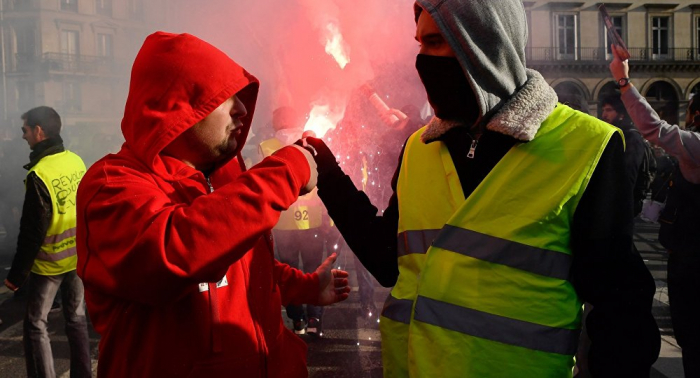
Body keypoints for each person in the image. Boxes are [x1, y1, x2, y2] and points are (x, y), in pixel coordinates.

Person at [301, 1, 661, 377]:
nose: (422, 59)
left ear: (483, 43)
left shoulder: (587, 146)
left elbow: (621, 313)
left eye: (436, 41)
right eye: (420, 43)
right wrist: (326, 169)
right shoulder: (419, 148)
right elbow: (386, 260)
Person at [75, 32, 350, 378]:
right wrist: (286, 170)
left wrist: (308, 286)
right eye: (226, 97)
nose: (243, 109)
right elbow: (176, 251)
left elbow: (247, 264)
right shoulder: (112, 184)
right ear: (178, 105)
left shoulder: (227, 176)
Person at [610, 43, 700, 378]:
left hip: (691, 258)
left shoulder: (697, 146)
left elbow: (655, 130)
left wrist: (624, 83)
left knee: (691, 337)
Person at [3, 106, 91, 378]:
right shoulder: (76, 161)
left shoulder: (39, 174)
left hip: (49, 264)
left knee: (36, 324)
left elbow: (32, 232)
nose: (23, 136)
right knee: (76, 320)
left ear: (38, 131)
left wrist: (16, 276)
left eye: (25, 130)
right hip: (76, 257)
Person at [259, 106, 327, 336]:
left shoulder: (265, 147)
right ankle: (315, 319)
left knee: (289, 272)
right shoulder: (310, 142)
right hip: (313, 220)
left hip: (282, 221)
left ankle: (298, 321)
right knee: (314, 270)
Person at [600, 94, 649, 216]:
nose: (604, 115)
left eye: (609, 110)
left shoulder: (631, 137)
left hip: (621, 206)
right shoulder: (614, 134)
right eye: (603, 110)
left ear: (621, 114)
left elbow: (628, 176)